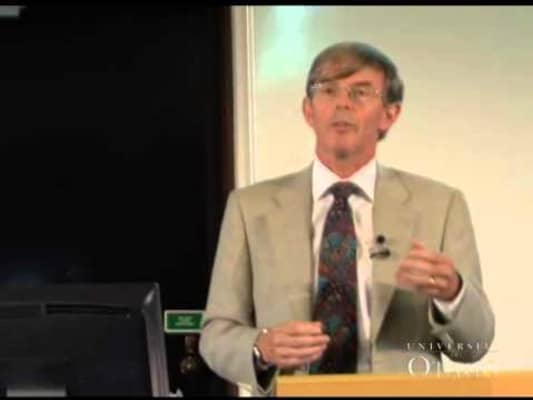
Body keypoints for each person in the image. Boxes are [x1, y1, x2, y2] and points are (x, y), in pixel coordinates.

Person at [199, 41, 495, 396]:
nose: (342, 103)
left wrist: (453, 292)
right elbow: (216, 334)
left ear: (390, 114)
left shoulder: (441, 206)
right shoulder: (250, 208)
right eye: (328, 90)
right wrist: (261, 347)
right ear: (308, 110)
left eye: (360, 92)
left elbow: (475, 344)